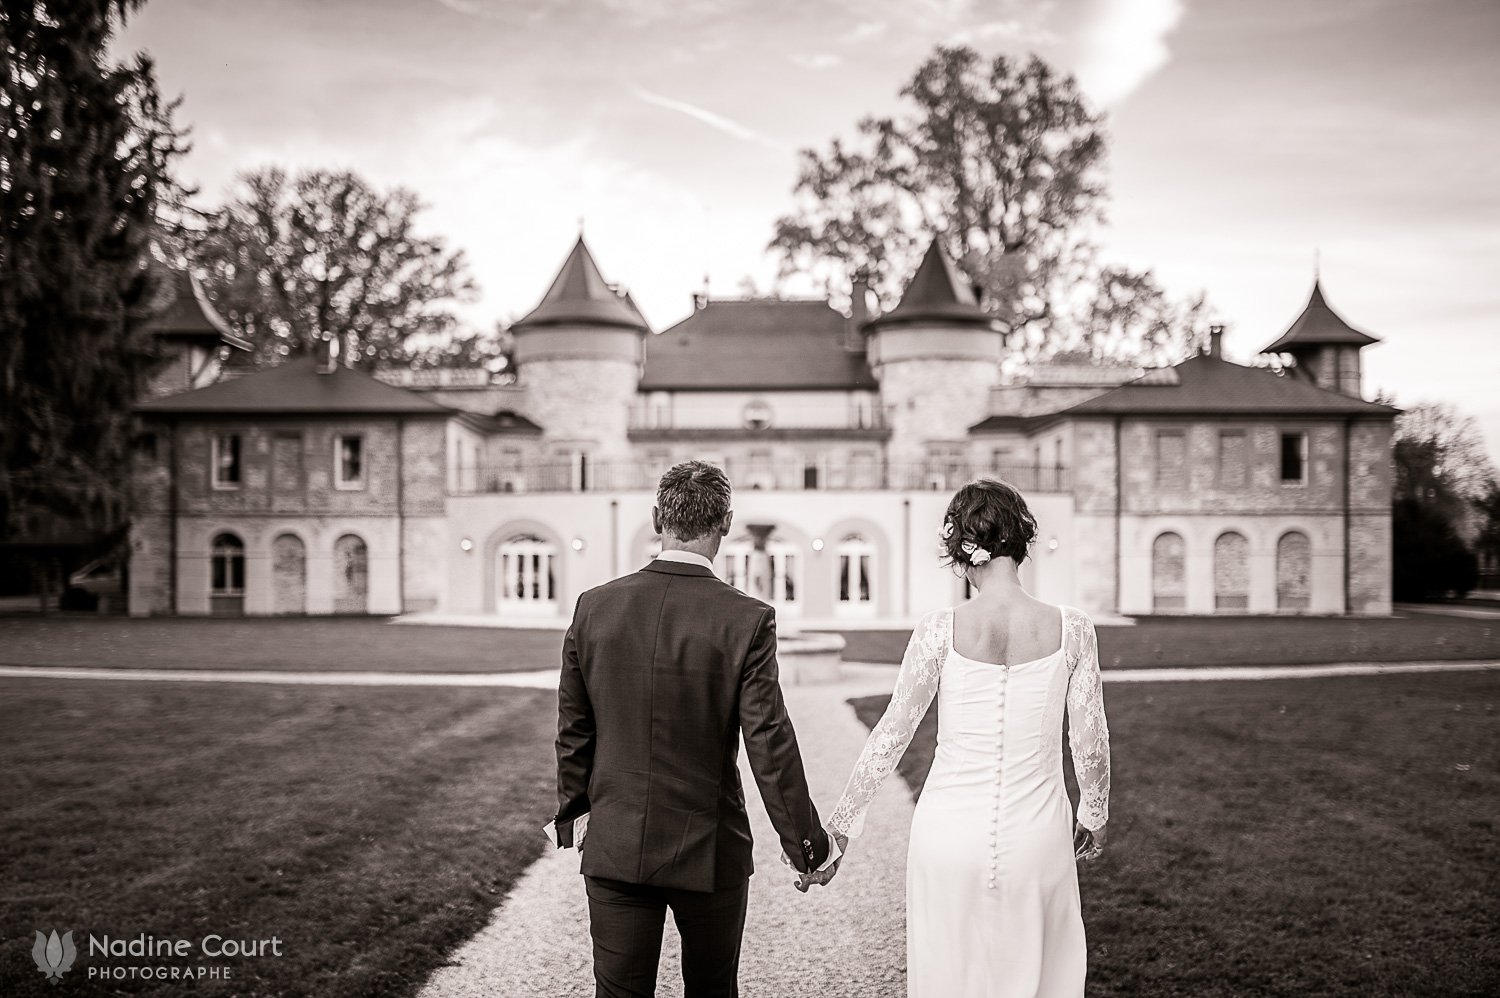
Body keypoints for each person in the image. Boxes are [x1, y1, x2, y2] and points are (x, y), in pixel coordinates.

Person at [807, 478, 1111, 998]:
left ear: (963, 549)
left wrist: (840, 828)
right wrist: (1094, 814)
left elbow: (891, 735)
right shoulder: (1074, 628)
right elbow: (1090, 742)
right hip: (1039, 836)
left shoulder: (937, 630)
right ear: (1022, 541)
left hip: (946, 836)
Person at [551, 460, 839, 998]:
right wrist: (808, 846)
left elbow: (574, 728)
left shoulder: (595, 607)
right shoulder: (747, 618)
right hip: (709, 845)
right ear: (725, 523)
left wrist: (574, 815)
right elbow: (768, 745)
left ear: (658, 517)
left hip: (616, 840)